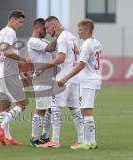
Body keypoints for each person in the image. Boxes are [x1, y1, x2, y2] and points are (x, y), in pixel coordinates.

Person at [36, 16, 84, 149]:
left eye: (47, 27)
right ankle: (81, 139)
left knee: (54, 107)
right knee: (75, 109)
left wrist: (43, 67)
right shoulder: (71, 36)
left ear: (54, 26)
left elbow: (61, 58)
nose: (46, 31)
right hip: (74, 78)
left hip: (63, 79)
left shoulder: (62, 37)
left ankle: (55, 140)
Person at [58, 19, 101, 149]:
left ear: (87, 30)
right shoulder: (96, 42)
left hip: (88, 81)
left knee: (86, 110)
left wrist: (65, 78)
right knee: (85, 110)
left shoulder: (87, 45)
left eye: (80, 30)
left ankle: (87, 143)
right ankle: (91, 141)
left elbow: (82, 64)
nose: (78, 32)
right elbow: (87, 57)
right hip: (95, 79)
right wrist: (77, 50)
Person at [0, 10, 30, 146]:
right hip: (9, 73)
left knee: (6, 104)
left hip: (1, 72)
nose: (21, 25)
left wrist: (19, 71)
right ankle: (1, 127)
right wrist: (23, 59)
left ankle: (7, 138)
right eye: (20, 22)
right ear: (13, 19)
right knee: (22, 103)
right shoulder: (10, 32)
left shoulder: (0, 33)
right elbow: (7, 52)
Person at [27, 18, 56, 147]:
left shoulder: (43, 40)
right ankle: (33, 138)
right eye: (45, 28)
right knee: (41, 109)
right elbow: (50, 48)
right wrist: (61, 35)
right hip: (41, 79)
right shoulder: (33, 41)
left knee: (50, 108)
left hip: (49, 78)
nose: (46, 31)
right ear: (38, 28)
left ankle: (45, 136)